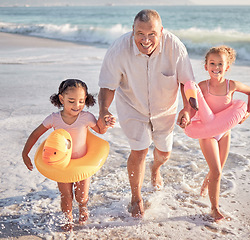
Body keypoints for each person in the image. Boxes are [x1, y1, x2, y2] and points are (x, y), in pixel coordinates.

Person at [97, 9, 194, 217]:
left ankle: (155, 169)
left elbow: (187, 82)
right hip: (132, 106)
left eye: (152, 34)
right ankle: (136, 197)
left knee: (164, 154)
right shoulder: (119, 49)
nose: (146, 39)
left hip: (164, 109)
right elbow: (107, 85)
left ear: (161, 31)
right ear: (133, 30)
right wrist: (104, 110)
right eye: (140, 33)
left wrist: (186, 108)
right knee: (139, 149)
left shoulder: (175, 47)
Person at [22, 79, 113, 231]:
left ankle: (83, 207)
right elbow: (35, 134)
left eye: (81, 101)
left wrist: (106, 122)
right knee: (66, 195)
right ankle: (67, 218)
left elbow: (100, 130)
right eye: (71, 101)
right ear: (61, 99)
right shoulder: (54, 118)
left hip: (82, 163)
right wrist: (25, 153)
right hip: (61, 164)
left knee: (81, 196)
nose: (77, 105)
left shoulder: (86, 117)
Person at [186, 46, 250, 221]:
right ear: (206, 66)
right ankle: (214, 208)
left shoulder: (231, 85)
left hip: (224, 133)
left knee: (217, 171)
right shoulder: (202, 86)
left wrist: (248, 113)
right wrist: (186, 115)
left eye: (220, 64)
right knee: (216, 171)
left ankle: (205, 186)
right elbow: (192, 105)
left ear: (227, 67)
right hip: (207, 134)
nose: (216, 67)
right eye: (212, 63)